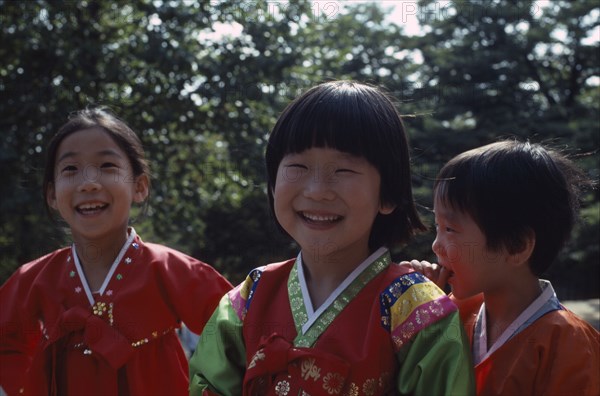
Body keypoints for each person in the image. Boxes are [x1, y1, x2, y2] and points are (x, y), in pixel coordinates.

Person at [189, 81, 475, 395]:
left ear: (388, 194)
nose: (316, 191)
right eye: (298, 166)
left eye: (343, 171)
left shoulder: (418, 312)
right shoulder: (249, 297)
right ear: (272, 185)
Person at [0, 108, 232, 395]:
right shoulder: (32, 280)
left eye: (107, 166)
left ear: (140, 186)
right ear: (52, 195)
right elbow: (6, 344)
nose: (89, 183)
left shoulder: (171, 270)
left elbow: (238, 336)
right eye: (70, 169)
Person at [403, 140, 600, 395]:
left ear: (517, 246)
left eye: (450, 229)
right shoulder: (451, 313)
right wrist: (419, 314)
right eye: (437, 227)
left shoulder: (569, 343)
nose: (436, 246)